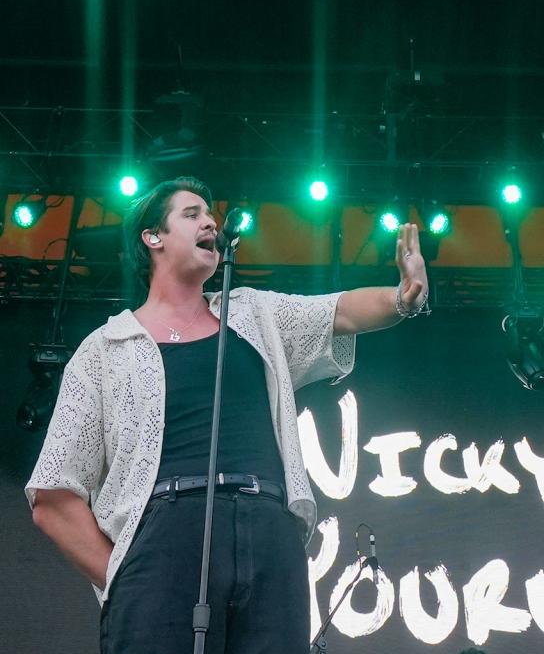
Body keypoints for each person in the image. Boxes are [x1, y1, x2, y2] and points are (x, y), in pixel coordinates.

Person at [25, 176, 430, 653]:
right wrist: (124, 576)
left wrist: (403, 297)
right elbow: (53, 496)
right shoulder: (104, 351)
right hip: (164, 534)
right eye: (192, 213)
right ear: (152, 237)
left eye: (210, 214)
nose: (210, 221)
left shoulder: (252, 314)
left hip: (268, 529)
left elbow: (337, 313)